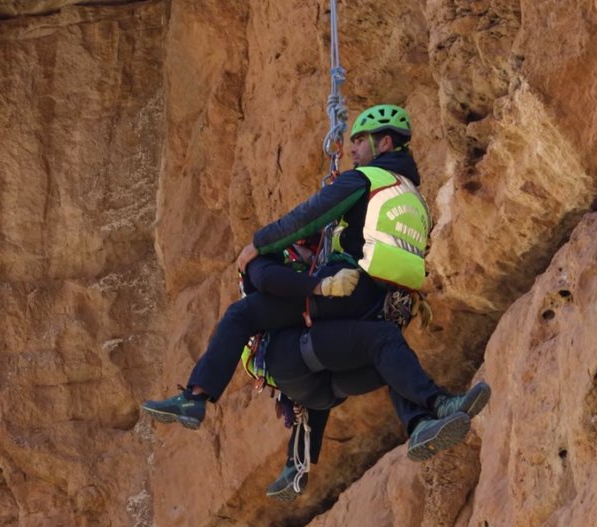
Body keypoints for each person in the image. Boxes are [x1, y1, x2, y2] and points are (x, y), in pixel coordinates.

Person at [143, 104, 429, 429]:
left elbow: (307, 217)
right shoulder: (414, 200)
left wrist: (259, 244)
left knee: (244, 314)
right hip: (388, 304)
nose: (352, 148)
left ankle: (195, 398)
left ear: (385, 144)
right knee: (378, 348)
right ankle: (424, 415)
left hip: (348, 288)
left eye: (360, 140)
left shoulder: (367, 179)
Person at [254, 319, 491, 500]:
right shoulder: (281, 263)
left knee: (389, 361)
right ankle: (438, 404)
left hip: (310, 372)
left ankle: (420, 425)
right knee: (383, 337)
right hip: (307, 349)